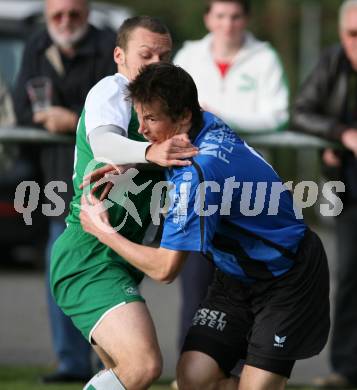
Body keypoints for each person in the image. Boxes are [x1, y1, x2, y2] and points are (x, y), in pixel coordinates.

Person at [79, 62, 330, 390]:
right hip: (235, 276)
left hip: (286, 276)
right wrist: (133, 164)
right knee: (194, 378)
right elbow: (172, 157)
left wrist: (103, 230)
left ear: (183, 117)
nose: (141, 129)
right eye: (139, 116)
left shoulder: (198, 176)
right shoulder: (203, 124)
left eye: (151, 118)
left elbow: (165, 269)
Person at [50, 17, 198, 390]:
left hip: (123, 256)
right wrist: (152, 151)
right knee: (144, 365)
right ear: (119, 55)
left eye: (164, 56)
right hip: (88, 254)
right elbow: (104, 144)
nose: (155, 65)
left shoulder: (163, 109)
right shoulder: (112, 90)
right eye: (145, 55)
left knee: (126, 377)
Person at [173, 0, 290, 365]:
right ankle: (189, 371)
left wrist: (218, 117)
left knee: (243, 284)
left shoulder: (265, 57)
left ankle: (239, 370)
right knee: (194, 285)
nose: (228, 24)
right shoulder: (188, 56)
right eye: (220, 15)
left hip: (248, 195)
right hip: (196, 187)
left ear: (247, 19)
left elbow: (277, 115)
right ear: (208, 17)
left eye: (236, 15)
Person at [13, 0, 117, 383]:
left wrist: (70, 120)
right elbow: (21, 107)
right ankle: (72, 362)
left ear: (87, 13)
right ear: (47, 15)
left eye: (73, 13)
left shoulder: (108, 46)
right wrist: (43, 118)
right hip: (57, 180)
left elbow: (119, 110)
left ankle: (114, 361)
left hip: (107, 179)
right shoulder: (36, 45)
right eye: (57, 14)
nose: (65, 22)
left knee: (111, 271)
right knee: (62, 265)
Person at [292, 1, 357, 387]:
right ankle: (346, 370)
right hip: (350, 185)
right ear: (341, 33)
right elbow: (301, 112)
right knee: (349, 275)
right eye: (353, 34)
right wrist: (340, 134)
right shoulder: (333, 62)